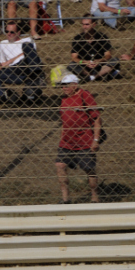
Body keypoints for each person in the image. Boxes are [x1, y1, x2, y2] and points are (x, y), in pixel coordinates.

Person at [56, 74, 101, 203]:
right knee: (60, 165)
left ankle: (94, 197)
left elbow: (96, 118)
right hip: (66, 141)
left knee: (88, 168)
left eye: (66, 85)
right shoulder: (64, 99)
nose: (63, 88)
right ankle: (65, 199)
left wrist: (96, 140)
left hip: (84, 140)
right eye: (62, 86)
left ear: (75, 85)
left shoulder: (84, 96)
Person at [0, 22, 44, 101]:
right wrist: (11, 61)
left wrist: (11, 60)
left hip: (26, 64)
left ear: (18, 33)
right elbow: (3, 64)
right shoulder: (3, 43)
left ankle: (35, 76)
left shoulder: (27, 40)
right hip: (14, 68)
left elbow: (32, 55)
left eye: (12, 32)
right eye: (7, 31)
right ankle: (31, 79)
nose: (9, 34)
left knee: (27, 46)